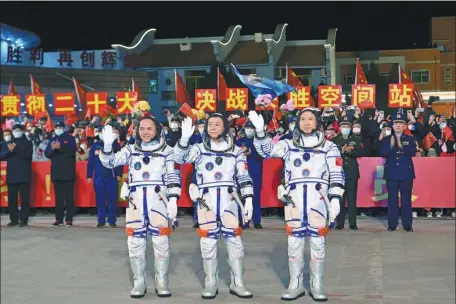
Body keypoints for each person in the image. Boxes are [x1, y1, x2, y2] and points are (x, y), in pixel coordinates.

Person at [249, 108, 344, 302]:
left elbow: (336, 172)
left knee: (318, 243)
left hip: (319, 199)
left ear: (318, 122)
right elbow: (267, 151)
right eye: (303, 119)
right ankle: (296, 284)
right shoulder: (287, 144)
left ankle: (317, 285)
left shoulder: (329, 147)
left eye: (311, 119)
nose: (307, 122)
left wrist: (335, 198)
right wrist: (260, 132)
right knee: (294, 243)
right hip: (295, 200)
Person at [174, 114, 254, 300]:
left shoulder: (236, 151)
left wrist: (248, 198)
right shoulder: (198, 149)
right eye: (210, 124)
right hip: (206, 201)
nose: (213, 127)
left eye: (218, 124)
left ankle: (238, 282)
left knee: (234, 242)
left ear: (225, 127)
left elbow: (243, 176)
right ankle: (211, 282)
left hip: (229, 200)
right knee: (207, 243)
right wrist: (184, 139)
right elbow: (179, 158)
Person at [99, 115, 180, 298]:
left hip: (158, 201)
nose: (145, 132)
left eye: (149, 128)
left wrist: (174, 198)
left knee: (161, 243)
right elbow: (110, 162)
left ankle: (161, 281)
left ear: (157, 130)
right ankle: (139, 282)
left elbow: (172, 175)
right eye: (142, 128)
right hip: (136, 202)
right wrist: (106, 146)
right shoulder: (130, 149)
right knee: (135, 243)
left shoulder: (166, 150)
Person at [379, 109, 416, 232]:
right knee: (392, 200)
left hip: (406, 173)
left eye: (401, 123)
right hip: (392, 173)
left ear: (405, 126)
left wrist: (401, 145)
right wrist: (391, 145)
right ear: (392, 125)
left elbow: (413, 152)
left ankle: (407, 225)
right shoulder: (387, 139)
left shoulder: (409, 139)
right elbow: (382, 152)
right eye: (396, 123)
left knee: (406, 200)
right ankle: (392, 225)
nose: (398, 125)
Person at [87, 122, 123, 228]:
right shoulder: (95, 146)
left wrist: (118, 174)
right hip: (99, 177)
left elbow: (119, 160)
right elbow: (90, 161)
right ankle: (101, 220)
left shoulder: (115, 145)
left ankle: (112, 220)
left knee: (112, 199)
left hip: (111, 177)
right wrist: (89, 175)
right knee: (100, 200)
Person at [332, 116, 362, 230]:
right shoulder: (334, 140)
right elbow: (331, 154)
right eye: (343, 126)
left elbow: (362, 152)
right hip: (338, 173)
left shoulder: (356, 139)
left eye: (347, 126)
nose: (345, 128)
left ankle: (353, 223)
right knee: (340, 199)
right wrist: (342, 151)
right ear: (339, 127)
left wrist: (351, 151)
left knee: (352, 199)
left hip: (352, 172)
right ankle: (339, 223)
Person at [45, 122, 77, 227]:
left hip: (68, 173)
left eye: (60, 127)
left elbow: (72, 152)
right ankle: (58, 218)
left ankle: (69, 219)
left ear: (63, 128)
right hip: (56, 173)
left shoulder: (70, 139)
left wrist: (60, 148)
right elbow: (47, 154)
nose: (58, 129)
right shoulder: (52, 140)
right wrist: (53, 148)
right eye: (57, 127)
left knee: (69, 197)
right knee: (58, 198)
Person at [0, 125, 33, 227]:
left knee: (25, 199)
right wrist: (9, 150)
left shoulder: (28, 143)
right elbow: (1, 156)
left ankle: (24, 220)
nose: (16, 132)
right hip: (12, 175)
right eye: (15, 130)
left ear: (23, 131)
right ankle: (13, 219)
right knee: (12, 200)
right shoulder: (7, 143)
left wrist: (15, 149)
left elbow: (28, 156)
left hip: (24, 175)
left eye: (19, 130)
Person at [235, 120, 263, 229]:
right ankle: (244, 221)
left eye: (251, 128)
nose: (249, 130)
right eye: (247, 128)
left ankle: (256, 221)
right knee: (242, 196)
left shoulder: (259, 141)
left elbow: (263, 154)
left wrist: (252, 152)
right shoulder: (239, 142)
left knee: (255, 196)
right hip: (242, 172)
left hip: (255, 171)